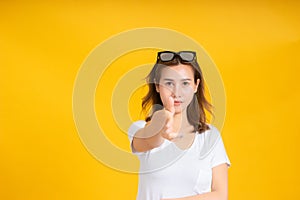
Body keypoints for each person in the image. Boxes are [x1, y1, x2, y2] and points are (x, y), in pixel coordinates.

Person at [128, 50, 231, 200]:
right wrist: (160, 120)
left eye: (185, 83)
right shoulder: (140, 128)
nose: (176, 92)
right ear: (157, 85)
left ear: (196, 85)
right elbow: (150, 139)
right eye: (169, 83)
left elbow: (220, 195)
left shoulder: (210, 136)